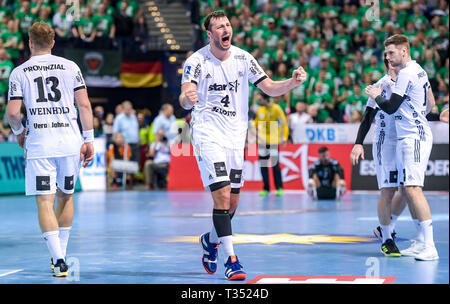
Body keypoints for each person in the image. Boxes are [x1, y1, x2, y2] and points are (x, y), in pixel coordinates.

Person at [178, 10, 307, 281]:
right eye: (219, 27)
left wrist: (293, 83)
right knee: (223, 195)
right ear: (209, 34)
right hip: (207, 133)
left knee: (233, 202)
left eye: (227, 25)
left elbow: (269, 87)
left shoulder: (244, 58)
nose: (225, 29)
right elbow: (184, 96)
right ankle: (231, 259)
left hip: (236, 137)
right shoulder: (196, 61)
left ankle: (209, 241)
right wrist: (187, 99)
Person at [5, 22, 94, 277]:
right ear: (53, 42)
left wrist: (20, 132)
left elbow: (12, 112)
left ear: (30, 43)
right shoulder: (71, 67)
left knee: (45, 201)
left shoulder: (20, 71)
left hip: (40, 143)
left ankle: (59, 260)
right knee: (66, 196)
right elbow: (84, 106)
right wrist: (88, 139)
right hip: (69, 142)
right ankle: (61, 258)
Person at [365, 34, 438, 261]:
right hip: (409, 136)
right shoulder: (419, 70)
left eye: (391, 53)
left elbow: (390, 107)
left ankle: (430, 245)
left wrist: (377, 96)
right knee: (407, 190)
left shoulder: (406, 73)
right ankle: (420, 241)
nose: (387, 57)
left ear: (404, 51)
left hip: (413, 137)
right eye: (386, 54)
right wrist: (432, 115)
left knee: (413, 189)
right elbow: (430, 104)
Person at [254, 91, 288, 196]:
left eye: (260, 100)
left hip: (273, 140)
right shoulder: (260, 109)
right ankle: (266, 188)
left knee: (275, 165)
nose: (259, 102)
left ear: (266, 99)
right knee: (263, 166)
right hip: (262, 142)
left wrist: (284, 137)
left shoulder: (276, 109)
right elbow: (255, 125)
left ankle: (279, 188)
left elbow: (283, 123)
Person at [112, 100, 140, 167]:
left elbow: (136, 129)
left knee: (135, 166)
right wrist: (118, 145)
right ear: (123, 109)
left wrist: (139, 140)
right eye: (127, 109)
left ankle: (132, 177)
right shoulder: (119, 118)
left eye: (130, 109)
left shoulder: (133, 117)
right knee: (126, 167)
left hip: (135, 145)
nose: (129, 110)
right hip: (125, 146)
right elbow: (115, 133)